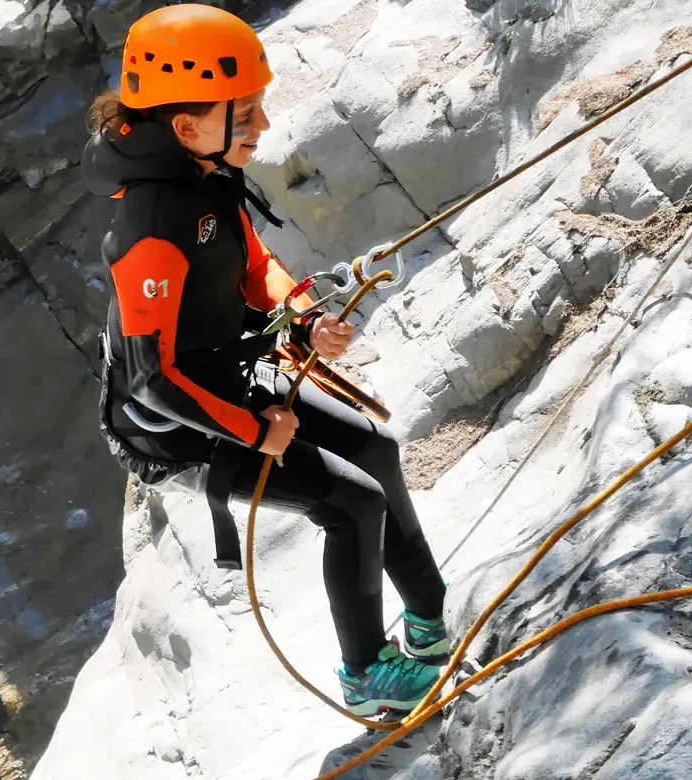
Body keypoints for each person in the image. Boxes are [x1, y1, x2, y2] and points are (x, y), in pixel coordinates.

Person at [84, 4, 455, 713]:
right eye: (246, 112)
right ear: (189, 125)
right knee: (350, 502)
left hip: (223, 374)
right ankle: (366, 675)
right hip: (173, 426)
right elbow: (150, 376)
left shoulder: (204, 176)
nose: (263, 126)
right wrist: (257, 433)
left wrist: (307, 319)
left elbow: (253, 268)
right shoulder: (151, 226)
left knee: (375, 447)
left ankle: (427, 616)